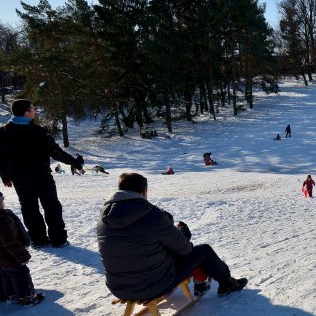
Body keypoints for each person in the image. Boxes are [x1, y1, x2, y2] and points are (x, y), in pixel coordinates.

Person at [97, 172, 247, 300]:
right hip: (152, 287)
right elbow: (185, 249)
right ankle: (227, 283)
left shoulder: (103, 218)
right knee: (204, 250)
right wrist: (182, 232)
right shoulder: (152, 215)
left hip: (118, 288)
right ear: (143, 191)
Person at [0, 99, 84, 248]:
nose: (35, 111)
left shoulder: (4, 131)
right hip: (39, 175)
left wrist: (5, 176)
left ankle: (38, 240)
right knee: (51, 206)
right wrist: (75, 163)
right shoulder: (38, 131)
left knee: (28, 207)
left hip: (18, 176)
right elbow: (56, 153)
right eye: (33, 109)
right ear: (26, 112)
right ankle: (58, 239)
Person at [0, 191, 44, 306]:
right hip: (10, 257)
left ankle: (12, 294)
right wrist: (22, 256)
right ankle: (27, 297)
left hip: (2, 260)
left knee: (6, 276)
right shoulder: (4, 221)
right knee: (21, 275)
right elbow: (11, 243)